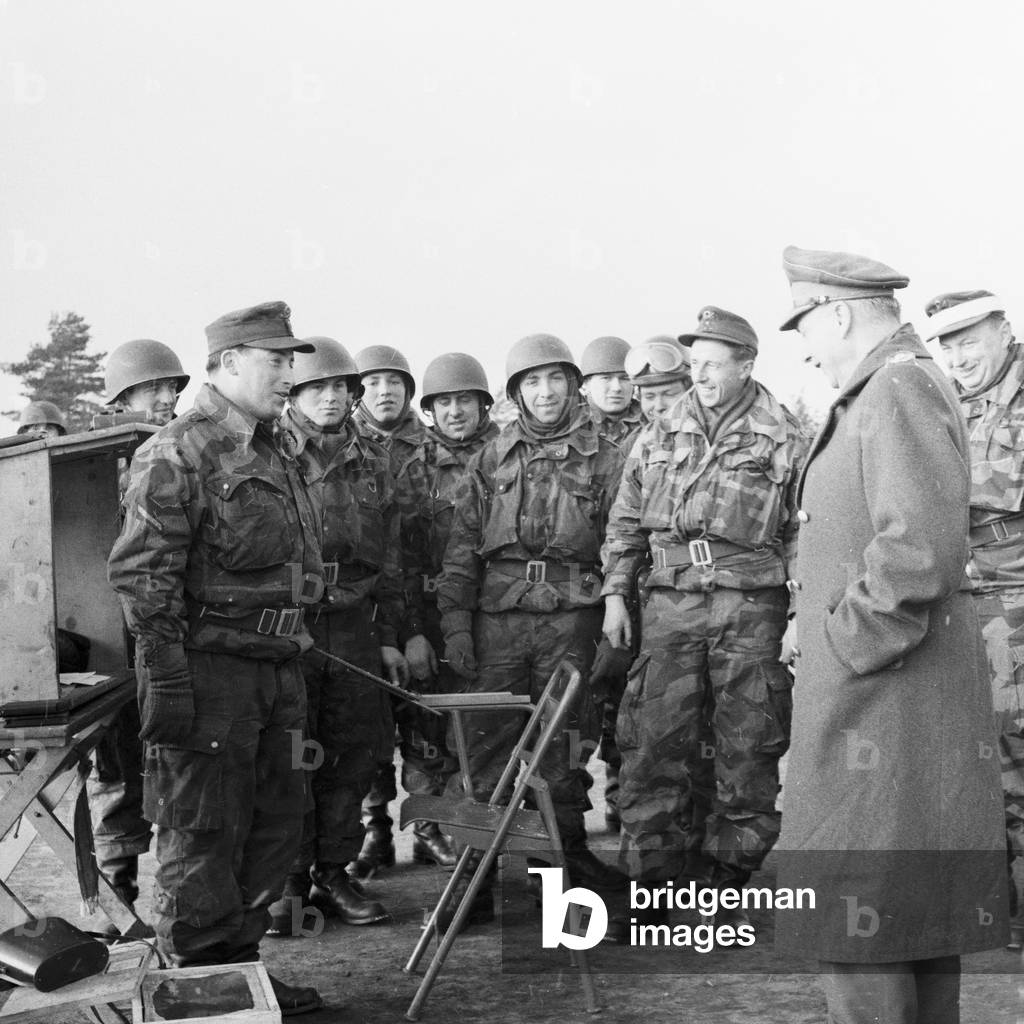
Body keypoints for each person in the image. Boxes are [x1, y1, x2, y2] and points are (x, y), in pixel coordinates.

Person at [774, 247, 1007, 1023]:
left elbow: (917, 553)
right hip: (890, 705)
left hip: (878, 698)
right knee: (906, 919)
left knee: (860, 914)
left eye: (806, 321)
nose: (804, 344)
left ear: (836, 312)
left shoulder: (896, 387)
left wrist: (843, 642)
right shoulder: (887, 386)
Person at [107, 301, 324, 1015]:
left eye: (292, 359)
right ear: (229, 362)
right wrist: (164, 677)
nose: (288, 373)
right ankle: (199, 986)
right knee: (203, 830)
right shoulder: (176, 451)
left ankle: (244, 974)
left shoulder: (275, 448)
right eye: (275, 359)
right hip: (210, 677)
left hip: (277, 669)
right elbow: (144, 577)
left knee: (271, 825)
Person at [601, 307, 802, 931]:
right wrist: (614, 595)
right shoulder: (661, 430)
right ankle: (659, 884)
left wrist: (797, 612)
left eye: (714, 364)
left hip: (752, 607)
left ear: (746, 364)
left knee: (746, 748)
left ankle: (724, 884)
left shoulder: (786, 436)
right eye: (696, 365)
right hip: (669, 605)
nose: (702, 376)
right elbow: (626, 520)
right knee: (653, 744)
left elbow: (804, 533)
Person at [436, 333, 627, 925]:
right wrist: (456, 626)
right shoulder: (489, 458)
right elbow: (461, 549)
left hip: (573, 617)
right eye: (532, 383)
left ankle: (559, 872)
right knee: (483, 747)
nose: (545, 393)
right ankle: (474, 881)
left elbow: (625, 539)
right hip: (499, 620)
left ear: (574, 385)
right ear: (516, 393)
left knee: (561, 749)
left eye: (555, 380)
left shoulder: (608, 457)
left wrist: (618, 607)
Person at [271, 337, 405, 934]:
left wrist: (393, 635)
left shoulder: (372, 460)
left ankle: (334, 868)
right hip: (289, 627)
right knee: (290, 753)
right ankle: (290, 879)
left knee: (351, 753)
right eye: (315, 387)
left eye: (339, 387)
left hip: (353, 626)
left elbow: (393, 559)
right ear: (294, 393)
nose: (330, 397)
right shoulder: (268, 452)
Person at [925, 290, 1024, 948]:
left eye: (970, 339)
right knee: (977, 760)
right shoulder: (948, 403)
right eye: (948, 345)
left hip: (1016, 601)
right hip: (962, 605)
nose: (959, 357)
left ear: (1004, 328)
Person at [88, 338, 190, 929]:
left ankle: (176, 900)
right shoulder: (97, 455)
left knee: (176, 760)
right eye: (151, 387)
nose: (163, 397)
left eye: (170, 387)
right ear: (121, 395)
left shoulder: (186, 449)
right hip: (111, 641)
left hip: (167, 633)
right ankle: (116, 898)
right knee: (116, 767)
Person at [396, 352, 499, 867]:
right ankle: (429, 823)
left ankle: (476, 829)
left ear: (484, 404)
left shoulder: (510, 455)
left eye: (465, 400)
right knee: (425, 728)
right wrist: (414, 629)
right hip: (433, 614)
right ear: (430, 410)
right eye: (444, 403)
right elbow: (399, 559)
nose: (455, 411)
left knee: (485, 730)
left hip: (496, 615)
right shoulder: (414, 468)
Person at [350, 344, 428, 878]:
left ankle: (428, 826)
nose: (385, 390)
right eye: (373, 381)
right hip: (366, 604)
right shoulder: (343, 447)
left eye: (395, 381)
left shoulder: (434, 445)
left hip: (428, 600)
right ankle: (375, 830)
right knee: (369, 725)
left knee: (426, 721)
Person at [101, 338, 190, 425]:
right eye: (154, 389)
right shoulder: (104, 439)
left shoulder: (186, 435)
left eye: (172, 387)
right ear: (124, 398)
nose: (168, 400)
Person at [579, 335, 643, 445]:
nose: (617, 388)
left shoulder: (649, 423)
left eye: (624, 378)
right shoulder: (570, 425)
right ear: (585, 384)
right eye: (606, 378)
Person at [624, 335, 693, 426]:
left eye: (669, 394)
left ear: (691, 393)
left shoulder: (711, 437)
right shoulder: (635, 439)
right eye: (649, 397)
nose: (659, 406)